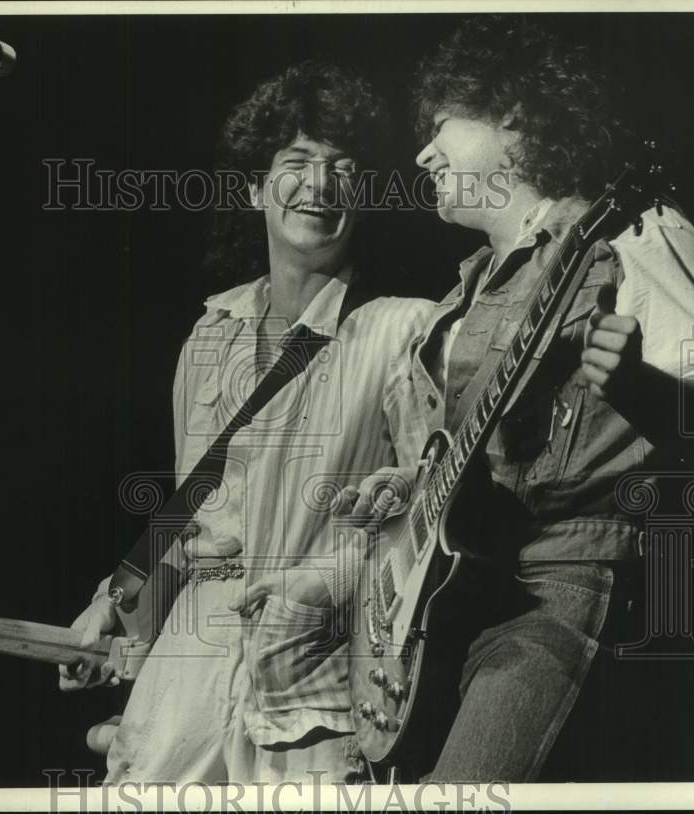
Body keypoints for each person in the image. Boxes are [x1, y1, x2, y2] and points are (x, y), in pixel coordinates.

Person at [335, 16, 694, 781]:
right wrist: (401, 490)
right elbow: (444, 463)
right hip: (454, 596)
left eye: (442, 125)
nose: (422, 152)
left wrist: (643, 388)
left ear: (515, 116)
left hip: (564, 578)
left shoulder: (631, 236)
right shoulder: (466, 292)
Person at [58, 61, 436, 784]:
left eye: (342, 168)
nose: (320, 185)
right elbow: (187, 514)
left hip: (316, 679)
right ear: (255, 186)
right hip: (186, 677)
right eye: (296, 162)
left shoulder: (404, 332)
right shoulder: (210, 336)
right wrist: (120, 603)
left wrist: (326, 580)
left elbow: (432, 517)